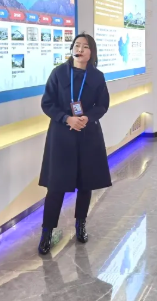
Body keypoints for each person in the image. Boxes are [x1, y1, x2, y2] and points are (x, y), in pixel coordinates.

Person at [37, 33, 112, 255]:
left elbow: (103, 105)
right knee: (56, 185)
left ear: (92, 52)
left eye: (85, 46)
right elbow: (47, 103)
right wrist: (66, 118)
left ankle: (81, 225)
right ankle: (47, 232)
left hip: (88, 134)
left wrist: (87, 117)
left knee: (85, 183)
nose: (79, 49)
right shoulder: (59, 73)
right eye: (76, 45)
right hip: (62, 135)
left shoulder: (97, 76)